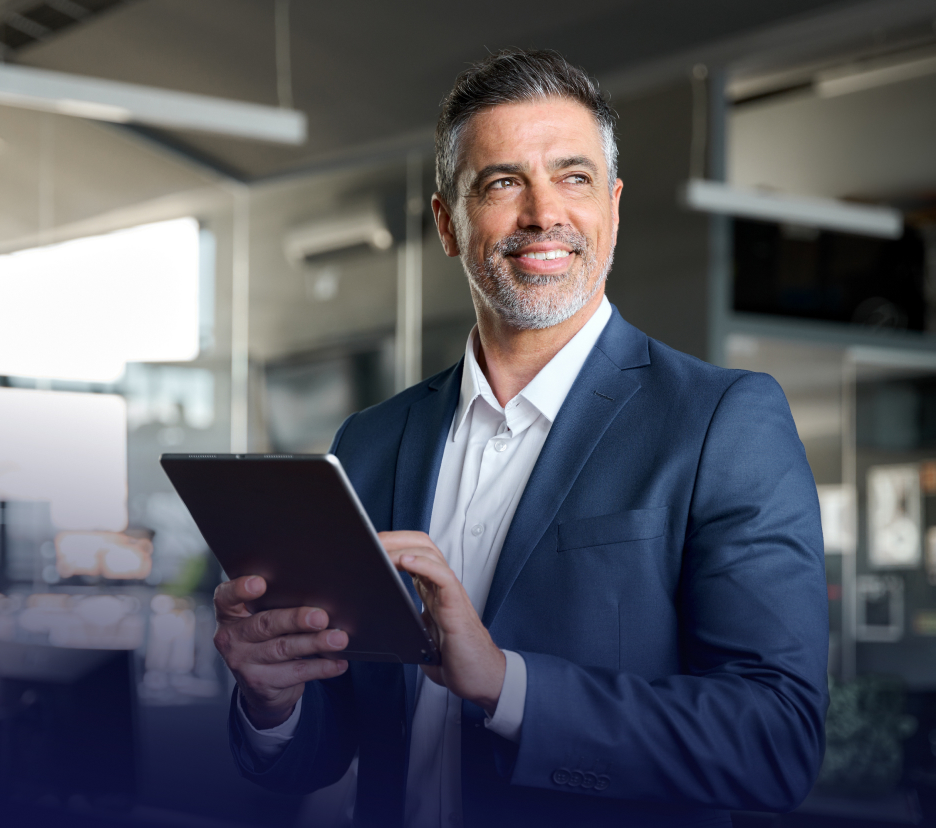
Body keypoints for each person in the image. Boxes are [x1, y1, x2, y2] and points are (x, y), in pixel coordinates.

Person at [212, 49, 828, 827]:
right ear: (448, 223)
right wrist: (273, 697)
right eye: (502, 182)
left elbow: (776, 742)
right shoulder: (370, 441)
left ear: (613, 203)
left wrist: (509, 685)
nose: (544, 213)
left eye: (573, 177)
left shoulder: (722, 422)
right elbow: (329, 744)